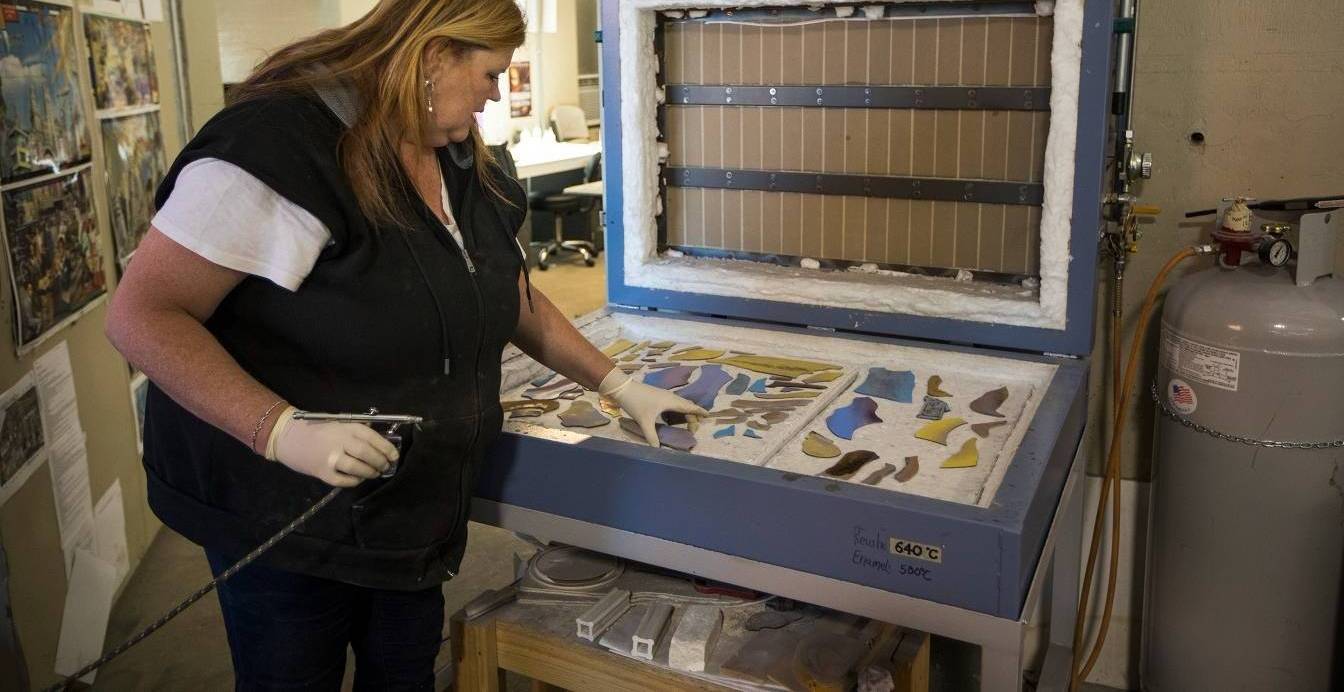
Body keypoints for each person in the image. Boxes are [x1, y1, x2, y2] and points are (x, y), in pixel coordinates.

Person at [104, 1, 704, 688]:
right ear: (432, 54)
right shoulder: (278, 148)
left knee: (405, 669)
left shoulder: (456, 155)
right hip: (284, 511)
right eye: (488, 73)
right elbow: (143, 315)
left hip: (413, 506)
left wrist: (616, 383)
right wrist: (279, 430)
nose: (495, 94)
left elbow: (505, 295)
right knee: (293, 671)